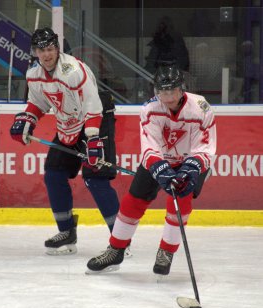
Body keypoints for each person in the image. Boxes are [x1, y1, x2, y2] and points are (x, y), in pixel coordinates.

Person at [10, 27, 131, 256]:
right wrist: (27, 120)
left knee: (95, 178)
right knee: (54, 174)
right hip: (69, 123)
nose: (46, 54)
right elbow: (38, 103)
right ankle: (66, 232)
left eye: (50, 49)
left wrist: (93, 140)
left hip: (96, 118)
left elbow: (93, 107)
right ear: (35, 52)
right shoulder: (34, 75)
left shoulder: (73, 70)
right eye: (41, 50)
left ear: (57, 48)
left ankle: (120, 240)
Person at [87, 64, 216, 274]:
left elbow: (204, 147)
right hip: (159, 160)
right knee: (133, 201)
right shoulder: (150, 109)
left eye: (172, 91)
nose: (167, 97)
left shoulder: (200, 107)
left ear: (181, 89)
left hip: (189, 161)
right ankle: (116, 249)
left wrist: (190, 170)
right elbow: (150, 146)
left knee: (180, 204)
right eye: (162, 92)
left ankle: (166, 252)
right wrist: (160, 169)